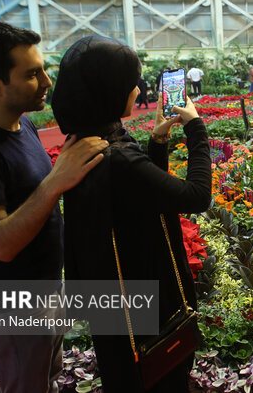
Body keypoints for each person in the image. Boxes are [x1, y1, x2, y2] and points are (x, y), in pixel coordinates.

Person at [0, 21, 108, 393]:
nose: (47, 82)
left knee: (44, 380)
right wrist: (55, 181)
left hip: (42, 288)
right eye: (32, 74)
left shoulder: (23, 126)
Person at [51, 35, 211, 393]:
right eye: (132, 82)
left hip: (116, 301)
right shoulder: (118, 156)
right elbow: (196, 196)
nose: (139, 90)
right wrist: (196, 128)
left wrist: (157, 140)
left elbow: (141, 195)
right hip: (144, 306)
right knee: (159, 376)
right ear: (110, 90)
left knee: (126, 374)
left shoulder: (87, 140)